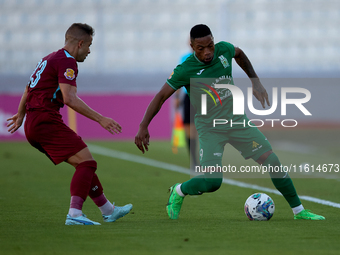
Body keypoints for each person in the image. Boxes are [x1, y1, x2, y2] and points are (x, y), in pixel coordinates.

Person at [135, 24, 325, 221]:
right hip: (210, 129)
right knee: (212, 182)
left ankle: (299, 211)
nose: (208, 52)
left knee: (272, 161)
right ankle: (179, 190)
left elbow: (240, 54)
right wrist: (143, 126)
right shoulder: (185, 70)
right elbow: (161, 96)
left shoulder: (224, 49)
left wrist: (256, 81)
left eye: (210, 46)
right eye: (201, 48)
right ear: (192, 46)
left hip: (237, 122)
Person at [7, 23, 132, 225]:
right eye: (89, 45)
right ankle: (74, 214)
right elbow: (69, 98)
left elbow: (28, 88)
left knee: (82, 163)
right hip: (45, 120)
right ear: (80, 43)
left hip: (34, 122)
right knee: (87, 163)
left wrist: (21, 115)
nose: (90, 51)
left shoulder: (48, 59)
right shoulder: (67, 61)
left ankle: (108, 210)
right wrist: (101, 119)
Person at [173, 51, 199, 167]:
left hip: (203, 96)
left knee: (200, 130)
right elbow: (179, 76)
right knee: (189, 129)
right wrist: (177, 96)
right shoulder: (185, 58)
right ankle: (193, 159)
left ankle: (202, 158)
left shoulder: (207, 57)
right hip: (188, 96)